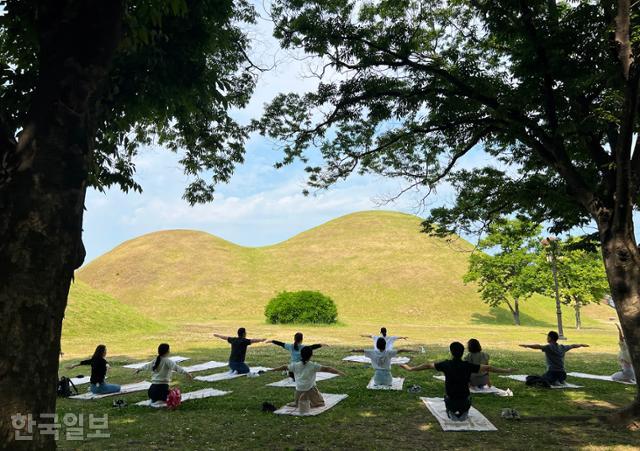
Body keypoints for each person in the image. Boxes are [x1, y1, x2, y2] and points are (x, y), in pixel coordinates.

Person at [401, 342, 515, 421]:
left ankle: (453, 411)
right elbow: (488, 368)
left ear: (451, 352)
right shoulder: (467, 366)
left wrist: (410, 369)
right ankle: (462, 412)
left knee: (450, 400)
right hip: (465, 401)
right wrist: (506, 370)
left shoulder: (445, 364)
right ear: (462, 353)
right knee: (463, 405)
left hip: (450, 400)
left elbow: (427, 365)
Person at [270, 347, 344, 411]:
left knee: (298, 401)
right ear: (311, 355)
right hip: (310, 389)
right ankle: (308, 402)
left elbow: (284, 367)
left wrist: (274, 369)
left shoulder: (295, 365)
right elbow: (327, 369)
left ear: (301, 355)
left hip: (298, 390)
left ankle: (297, 402)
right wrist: (338, 372)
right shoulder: (313, 366)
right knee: (321, 403)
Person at [519, 330, 589, 385]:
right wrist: (581, 345)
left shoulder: (548, 347)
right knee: (545, 378)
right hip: (563, 374)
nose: (547, 338)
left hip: (552, 373)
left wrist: (527, 345)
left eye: (548, 337)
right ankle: (559, 381)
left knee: (531, 378)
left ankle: (554, 381)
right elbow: (573, 345)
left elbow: (538, 346)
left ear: (550, 338)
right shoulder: (562, 347)